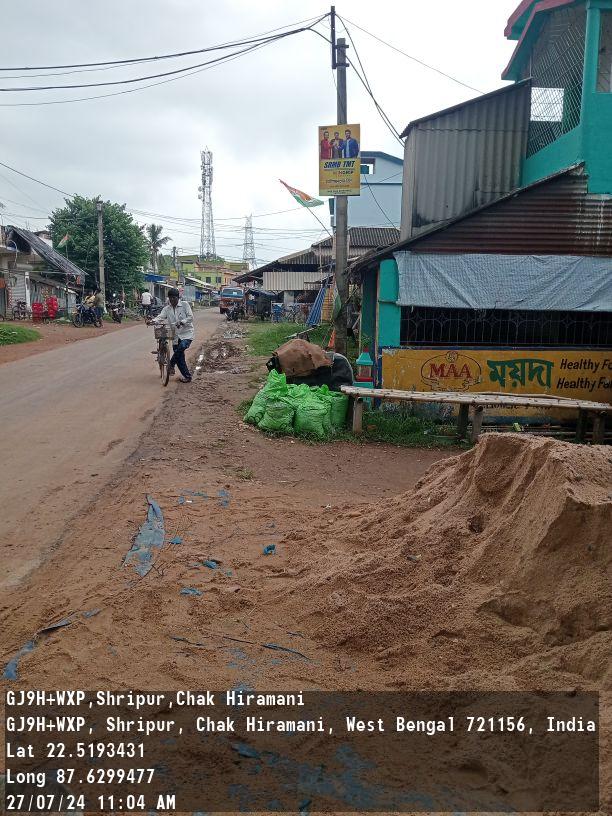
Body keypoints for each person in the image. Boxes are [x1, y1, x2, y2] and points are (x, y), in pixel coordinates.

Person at [150, 287, 194, 382]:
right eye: (170, 298)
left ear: (178, 298)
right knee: (180, 357)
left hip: (187, 333)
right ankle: (187, 376)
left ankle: (171, 364)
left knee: (182, 347)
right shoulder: (167, 309)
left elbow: (191, 317)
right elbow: (160, 317)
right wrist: (153, 321)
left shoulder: (185, 305)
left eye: (174, 298)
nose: (172, 300)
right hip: (175, 335)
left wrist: (182, 322)